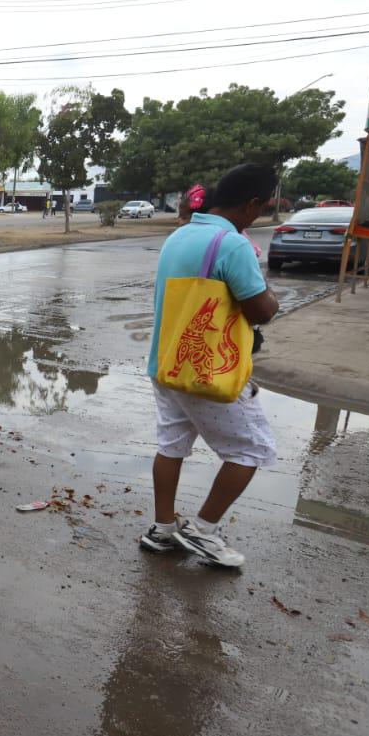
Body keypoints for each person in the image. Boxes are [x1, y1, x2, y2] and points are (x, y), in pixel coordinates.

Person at [139, 163, 280, 568]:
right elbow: (261, 310)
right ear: (251, 203)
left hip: (167, 362)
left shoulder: (179, 235)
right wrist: (271, 295)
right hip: (205, 368)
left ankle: (163, 529)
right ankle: (203, 530)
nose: (260, 214)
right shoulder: (231, 244)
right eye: (263, 207)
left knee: (171, 444)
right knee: (252, 448)